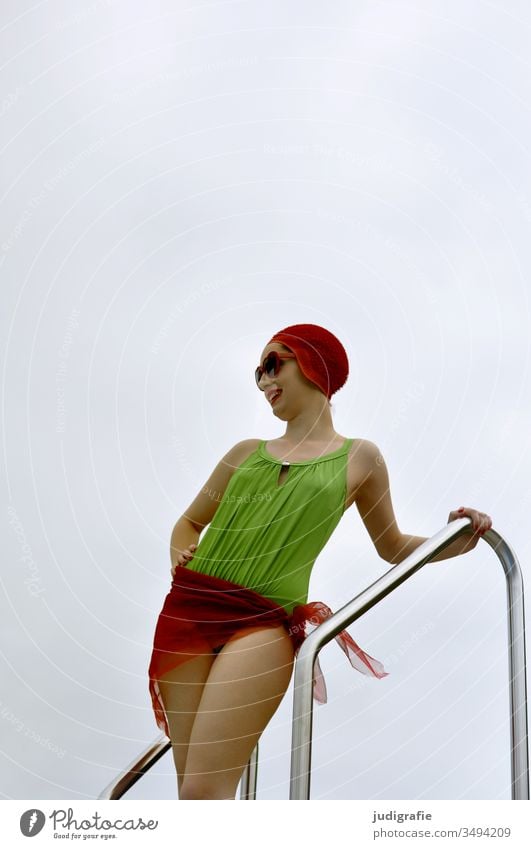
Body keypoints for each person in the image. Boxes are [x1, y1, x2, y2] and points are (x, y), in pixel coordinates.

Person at [148, 323, 492, 800]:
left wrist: (461, 538)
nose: (265, 382)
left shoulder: (359, 458)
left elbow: (391, 545)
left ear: (314, 364)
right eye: (258, 373)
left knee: (206, 789)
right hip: (188, 610)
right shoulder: (243, 454)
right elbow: (187, 524)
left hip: (262, 620)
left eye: (274, 364)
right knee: (190, 792)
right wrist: (179, 556)